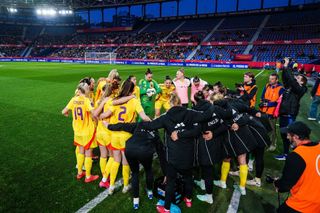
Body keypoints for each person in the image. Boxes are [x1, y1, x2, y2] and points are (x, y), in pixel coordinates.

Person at [100, 79, 151, 195]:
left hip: (114, 135)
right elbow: (143, 117)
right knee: (125, 162)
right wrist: (152, 122)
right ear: (133, 90)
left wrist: (101, 117)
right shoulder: (134, 100)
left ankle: (111, 186)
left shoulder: (116, 100)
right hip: (126, 136)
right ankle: (125, 186)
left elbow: (106, 114)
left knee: (115, 160)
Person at [106, 122, 164, 210]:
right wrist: (167, 172)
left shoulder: (138, 125)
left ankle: (135, 200)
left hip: (130, 149)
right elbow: (160, 150)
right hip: (145, 151)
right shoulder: (155, 131)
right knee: (148, 170)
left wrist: (109, 126)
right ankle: (150, 192)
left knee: (135, 173)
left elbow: (122, 126)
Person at [274, 121, 320, 213]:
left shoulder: (296, 156)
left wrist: (277, 184)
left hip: (302, 205)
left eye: (289, 135)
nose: (287, 137)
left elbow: (285, 185)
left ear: (296, 137)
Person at [61, 82, 99, 183]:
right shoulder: (86, 100)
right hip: (87, 131)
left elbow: (63, 111)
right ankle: (88, 176)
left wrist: (67, 113)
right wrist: (97, 122)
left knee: (81, 152)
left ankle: (79, 173)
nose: (89, 90)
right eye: (88, 89)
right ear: (85, 91)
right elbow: (94, 114)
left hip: (77, 132)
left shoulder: (73, 100)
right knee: (88, 153)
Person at [275, 58, 308, 160]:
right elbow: (286, 79)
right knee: (284, 136)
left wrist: (287, 66)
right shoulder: (291, 87)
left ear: (302, 82)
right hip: (284, 113)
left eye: (298, 78)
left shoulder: (301, 89)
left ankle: (297, 155)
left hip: (290, 115)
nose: (295, 78)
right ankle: (286, 154)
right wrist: (285, 68)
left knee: (291, 137)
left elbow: (292, 81)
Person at [259, 73, 285, 151]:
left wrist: (268, 104)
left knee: (272, 130)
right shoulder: (267, 85)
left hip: (272, 113)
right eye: (270, 78)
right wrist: (262, 102)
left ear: (277, 80)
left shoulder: (281, 89)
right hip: (263, 111)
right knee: (263, 128)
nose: (270, 80)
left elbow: (280, 102)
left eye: (272, 79)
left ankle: (273, 144)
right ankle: (264, 141)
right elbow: (262, 96)